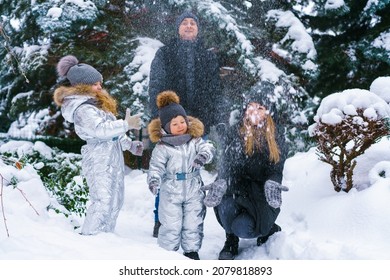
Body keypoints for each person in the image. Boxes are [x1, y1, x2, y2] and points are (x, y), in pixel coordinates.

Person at [148, 11, 224, 237]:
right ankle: (160, 220)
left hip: (198, 126)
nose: (189, 26)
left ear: (198, 29)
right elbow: (155, 86)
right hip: (170, 124)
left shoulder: (208, 57)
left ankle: (190, 221)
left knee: (192, 175)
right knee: (168, 174)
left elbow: (215, 92)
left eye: (193, 23)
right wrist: (158, 117)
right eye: (185, 23)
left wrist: (211, 120)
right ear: (178, 28)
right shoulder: (165, 54)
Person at [53, 55, 144, 235]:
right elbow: (100, 130)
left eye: (100, 83)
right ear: (83, 86)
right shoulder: (83, 109)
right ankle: (91, 238)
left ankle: (105, 238)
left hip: (112, 156)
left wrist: (130, 145)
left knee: (115, 200)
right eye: (96, 84)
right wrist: (125, 124)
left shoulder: (97, 106)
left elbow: (112, 134)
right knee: (102, 200)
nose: (100, 87)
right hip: (98, 158)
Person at [210, 94, 289, 260]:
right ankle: (230, 240)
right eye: (251, 106)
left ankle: (269, 229)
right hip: (237, 190)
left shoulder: (277, 137)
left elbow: (276, 169)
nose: (254, 111)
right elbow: (227, 165)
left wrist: (273, 183)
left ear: (268, 112)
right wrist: (222, 181)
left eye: (260, 108)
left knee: (242, 227)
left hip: (261, 196)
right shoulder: (235, 134)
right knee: (226, 209)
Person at [147, 90, 215, 260]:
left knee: (194, 222)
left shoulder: (194, 140)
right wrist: (154, 180)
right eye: (174, 123)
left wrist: (203, 156)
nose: (180, 126)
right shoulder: (162, 147)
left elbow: (208, 148)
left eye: (182, 121)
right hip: (170, 189)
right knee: (170, 223)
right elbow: (155, 167)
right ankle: (167, 255)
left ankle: (191, 252)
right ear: (165, 127)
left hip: (193, 187)